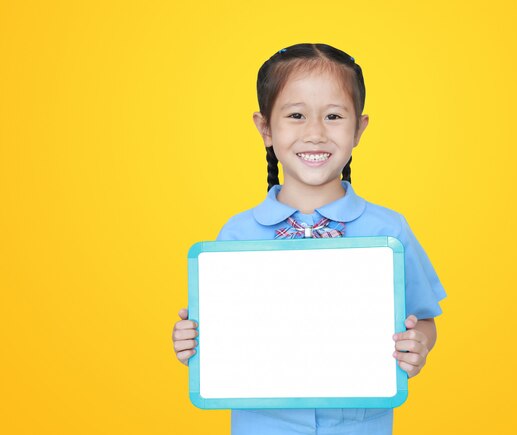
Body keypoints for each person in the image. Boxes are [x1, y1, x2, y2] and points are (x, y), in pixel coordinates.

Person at [171, 43, 447, 434]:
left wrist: (417, 345)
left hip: (359, 425)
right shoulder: (236, 235)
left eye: (333, 116)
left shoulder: (389, 230)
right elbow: (220, 335)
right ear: (265, 128)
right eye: (296, 115)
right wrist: (191, 342)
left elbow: (425, 319)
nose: (315, 133)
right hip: (261, 425)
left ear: (359, 129)